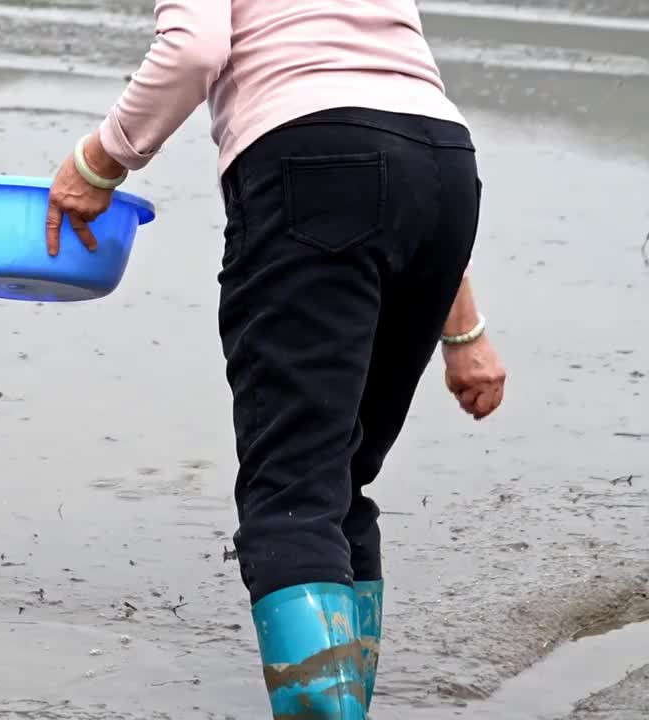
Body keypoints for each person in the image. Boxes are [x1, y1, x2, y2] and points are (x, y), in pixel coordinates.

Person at [44, 1, 508, 717]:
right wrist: (463, 326)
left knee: (293, 495)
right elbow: (386, 113)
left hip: (312, 167)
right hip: (443, 167)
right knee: (339, 484)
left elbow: (195, 49)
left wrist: (99, 161)